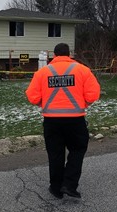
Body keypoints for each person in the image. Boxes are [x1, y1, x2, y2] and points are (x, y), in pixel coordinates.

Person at [25, 43, 100, 199]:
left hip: (51, 121)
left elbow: (33, 97)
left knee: (55, 154)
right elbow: (93, 94)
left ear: (54, 55)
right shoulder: (83, 70)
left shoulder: (42, 73)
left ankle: (56, 188)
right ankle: (69, 184)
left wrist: (44, 104)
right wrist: (83, 104)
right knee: (77, 150)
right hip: (75, 120)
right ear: (69, 54)